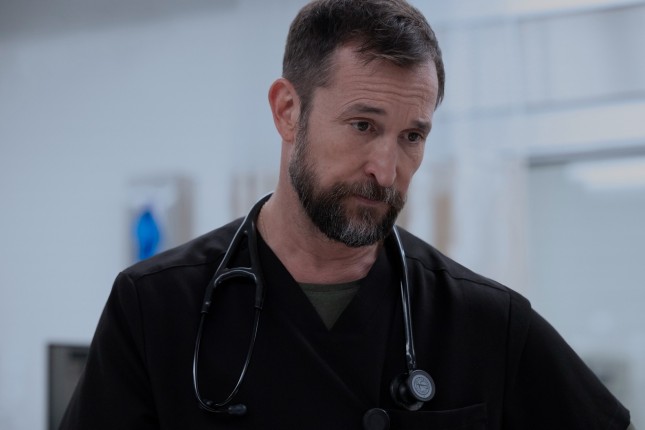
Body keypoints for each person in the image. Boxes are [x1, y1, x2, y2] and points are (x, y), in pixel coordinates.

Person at [60, 0, 633, 429]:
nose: (387, 169)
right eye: (363, 125)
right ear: (288, 111)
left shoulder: (485, 320)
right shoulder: (155, 307)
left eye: (412, 136)